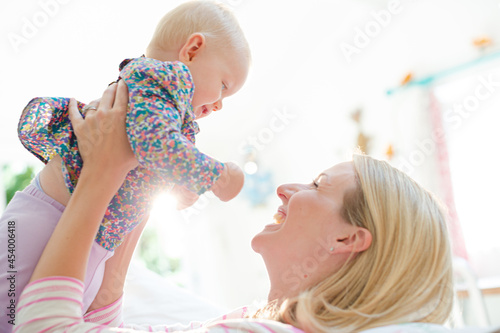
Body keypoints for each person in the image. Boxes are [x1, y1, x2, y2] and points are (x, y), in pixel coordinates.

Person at [13, 82, 454, 332]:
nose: (286, 188)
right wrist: (134, 191)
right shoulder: (249, 320)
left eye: (318, 185)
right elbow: (102, 319)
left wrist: (101, 176)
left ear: (347, 238)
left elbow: (43, 328)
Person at [0, 1, 250, 330]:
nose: (218, 104)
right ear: (192, 49)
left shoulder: (165, 106)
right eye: (223, 86)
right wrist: (216, 176)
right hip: (47, 216)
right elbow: (155, 146)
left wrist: (178, 186)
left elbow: (145, 164)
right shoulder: (157, 81)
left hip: (86, 235)